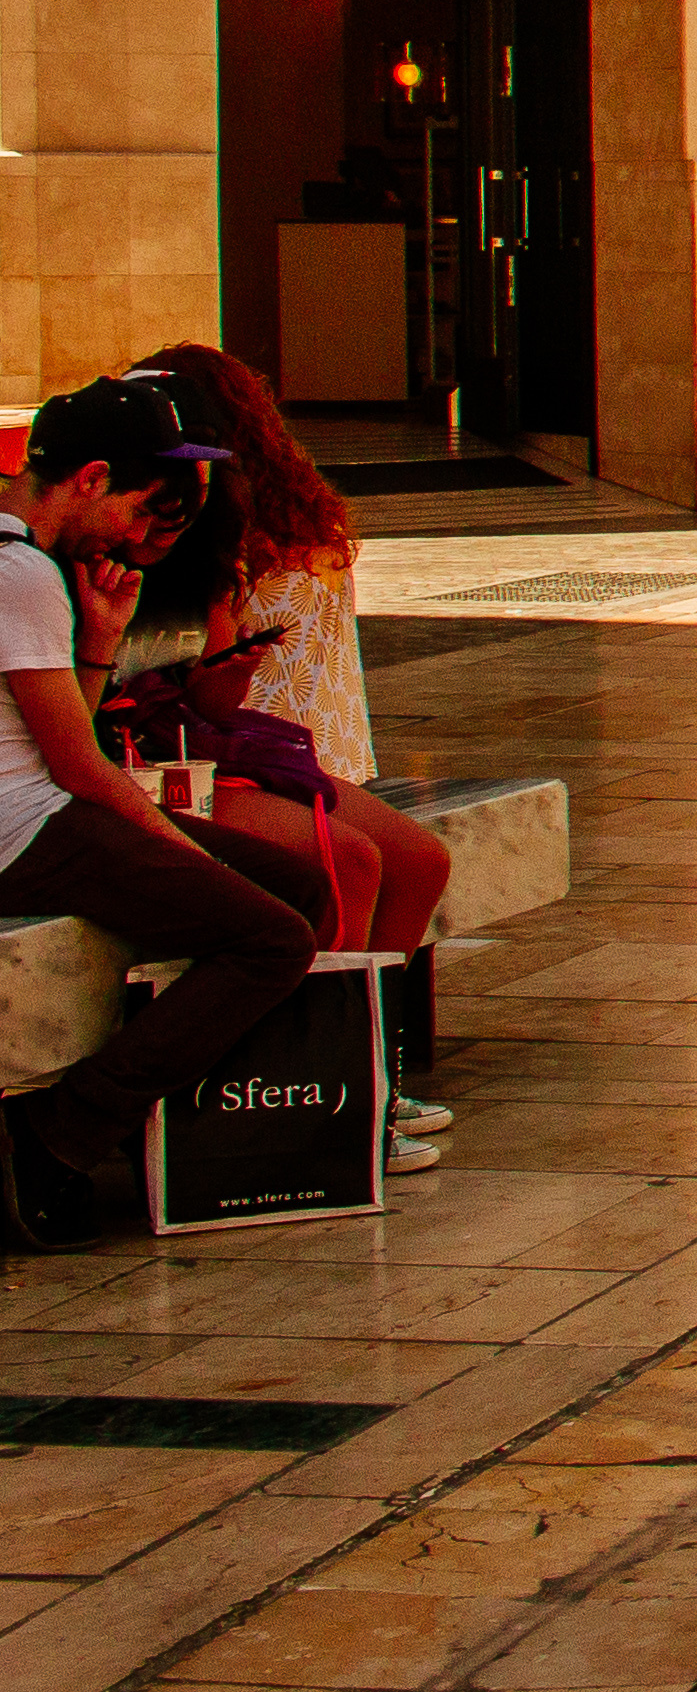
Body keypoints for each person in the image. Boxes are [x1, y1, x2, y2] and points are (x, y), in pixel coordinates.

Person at [103, 350, 458, 1172]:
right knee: (353, 861)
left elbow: (213, 698)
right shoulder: (116, 543)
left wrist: (217, 679)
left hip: (235, 745)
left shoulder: (224, 535)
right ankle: (311, 1090)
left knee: (419, 857)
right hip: (162, 759)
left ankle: (364, 1071)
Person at [0, 375, 323, 1248]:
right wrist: (177, 847)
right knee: (275, 934)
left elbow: (55, 726)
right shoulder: (21, 570)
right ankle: (54, 1138)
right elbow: (73, 764)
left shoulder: (25, 562)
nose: (144, 536)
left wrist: (100, 642)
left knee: (298, 884)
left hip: (42, 808)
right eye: (144, 508)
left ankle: (178, 1130)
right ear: (92, 477)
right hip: (22, 829)